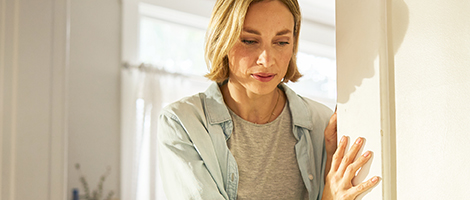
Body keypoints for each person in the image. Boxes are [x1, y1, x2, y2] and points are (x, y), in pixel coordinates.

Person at [157, 0, 380, 199]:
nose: (267, 60)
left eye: (281, 42)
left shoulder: (323, 124)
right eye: (249, 41)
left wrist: (330, 157)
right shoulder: (182, 123)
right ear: (222, 39)